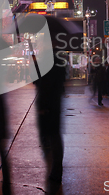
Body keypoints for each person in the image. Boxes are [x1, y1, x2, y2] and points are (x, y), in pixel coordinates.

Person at [33, 49, 66, 192]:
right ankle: (56, 171)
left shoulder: (46, 64)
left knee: (51, 136)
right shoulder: (60, 63)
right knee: (55, 136)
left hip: (47, 106)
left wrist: (42, 106)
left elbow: (41, 84)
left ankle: (55, 172)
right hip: (56, 104)